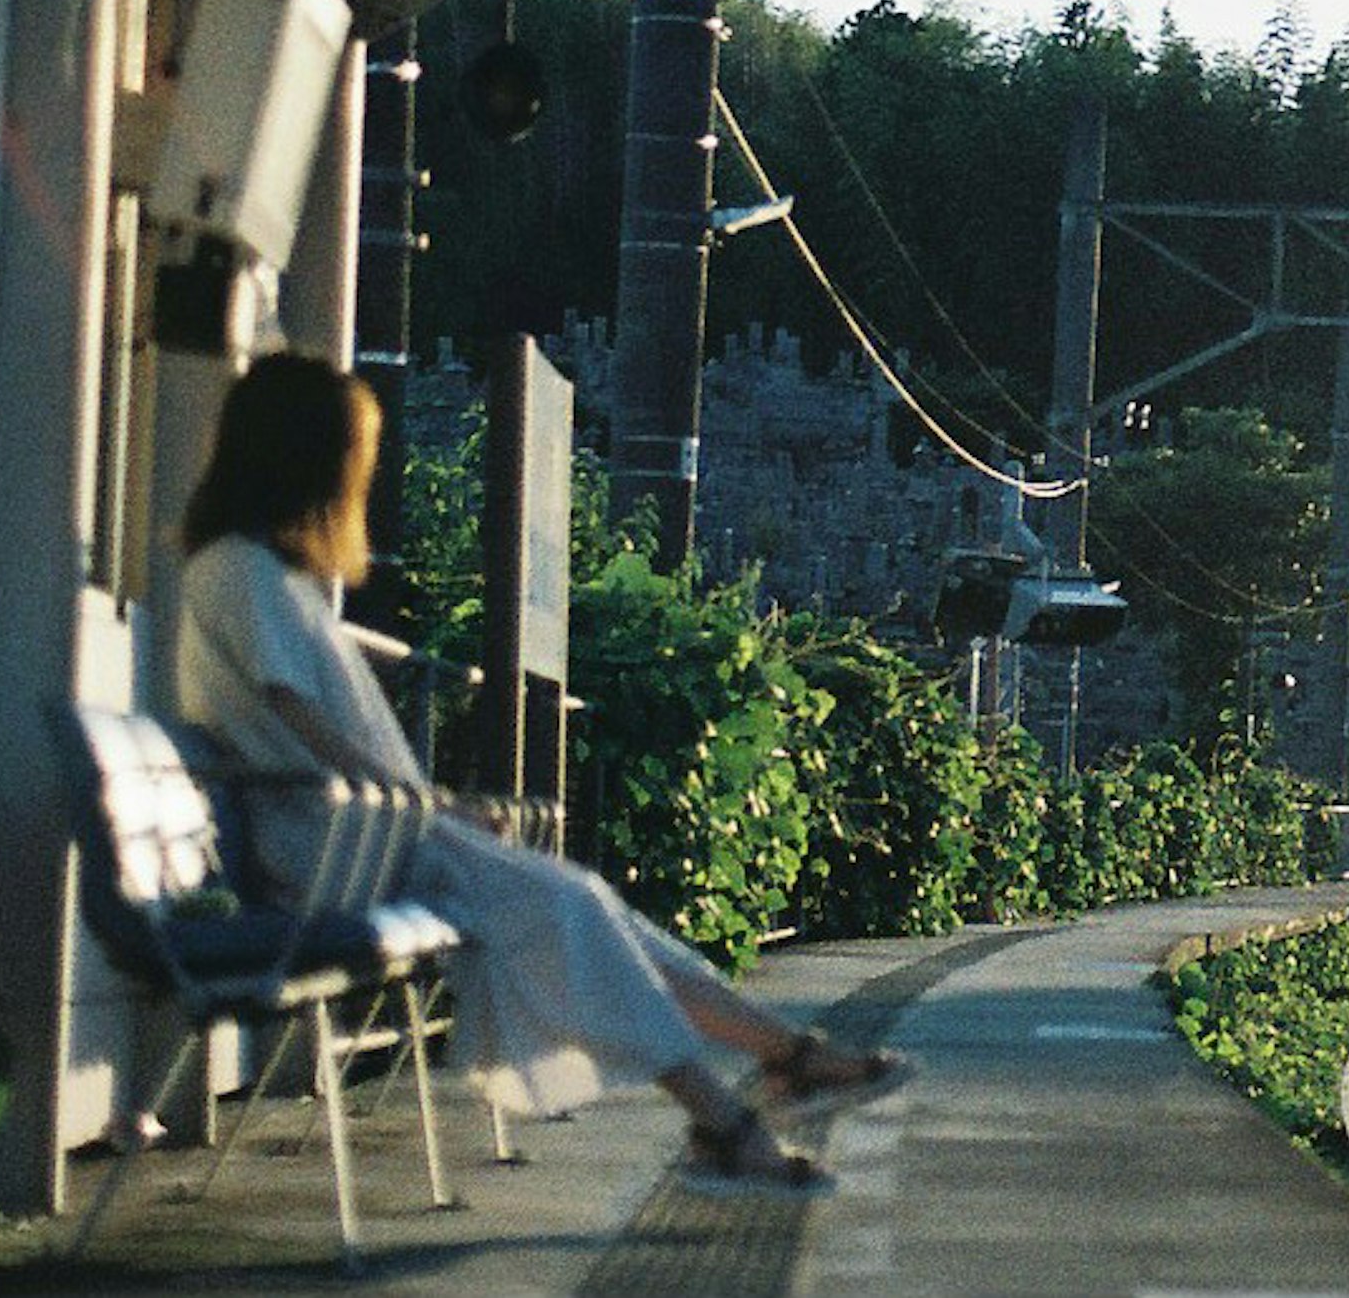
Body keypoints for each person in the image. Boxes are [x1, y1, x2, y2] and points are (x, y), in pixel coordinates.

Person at [173, 350, 904, 1198]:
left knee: (589, 908)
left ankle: (779, 1068)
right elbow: (296, 711)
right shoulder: (240, 570)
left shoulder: (267, 574)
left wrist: (432, 807)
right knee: (572, 907)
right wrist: (425, 802)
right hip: (335, 846)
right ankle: (734, 1115)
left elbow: (307, 724)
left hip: (363, 834)